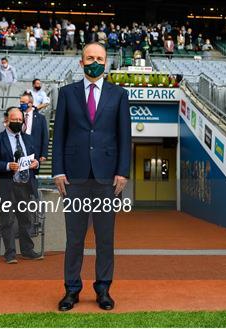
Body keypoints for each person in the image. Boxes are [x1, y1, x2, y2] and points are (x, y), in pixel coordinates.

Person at [52, 42, 131, 312]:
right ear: (81, 62)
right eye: (89, 58)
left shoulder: (119, 95)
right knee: (74, 238)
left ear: (106, 62)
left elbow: (124, 136)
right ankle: (71, 290)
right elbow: (59, 134)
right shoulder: (66, 94)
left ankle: (103, 289)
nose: (94, 62)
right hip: (74, 178)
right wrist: (57, 170)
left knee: (105, 238)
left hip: (107, 178)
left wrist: (123, 171)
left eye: (99, 58)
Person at [0, 107, 42, 264]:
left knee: (26, 220)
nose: (18, 122)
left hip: (25, 185)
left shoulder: (29, 139)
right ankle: (10, 253)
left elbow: (36, 159)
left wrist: (36, 163)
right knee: (7, 221)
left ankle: (27, 250)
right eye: (14, 119)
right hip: (6, 185)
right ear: (6, 121)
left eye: (20, 120)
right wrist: (6, 166)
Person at [19, 93, 49, 163]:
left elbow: (45, 136)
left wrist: (44, 154)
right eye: (20, 102)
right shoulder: (17, 115)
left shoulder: (41, 118)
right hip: (19, 151)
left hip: (35, 153)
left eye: (23, 102)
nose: (21, 104)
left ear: (30, 104)